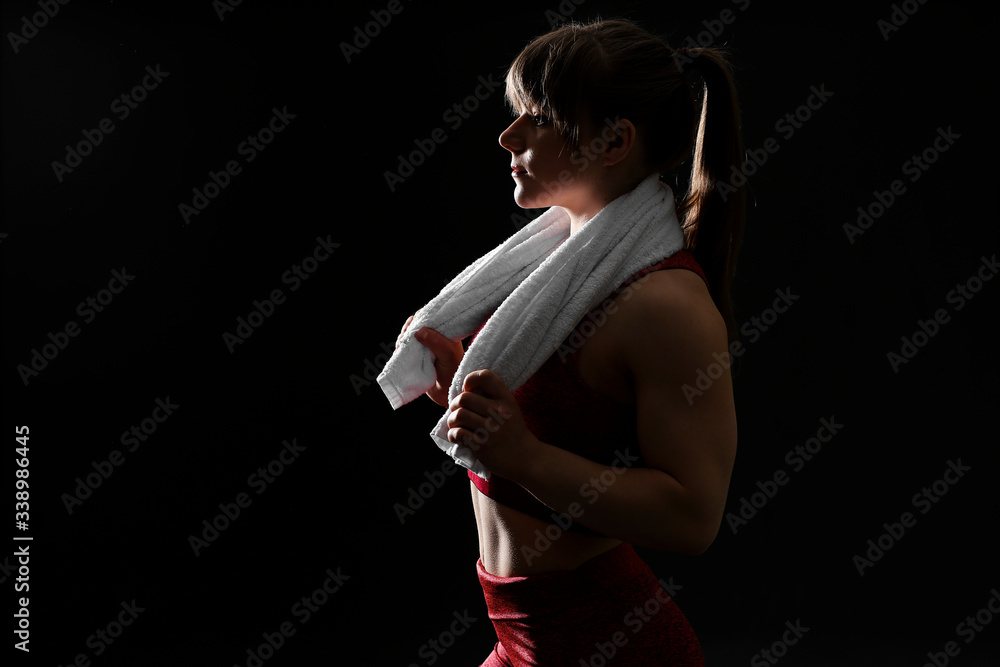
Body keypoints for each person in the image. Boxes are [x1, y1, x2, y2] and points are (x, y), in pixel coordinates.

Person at [397, 18, 744, 666]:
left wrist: (522, 453)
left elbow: (694, 516)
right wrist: (464, 400)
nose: (508, 135)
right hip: (521, 635)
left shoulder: (666, 304)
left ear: (613, 140)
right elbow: (547, 425)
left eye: (537, 117)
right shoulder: (557, 264)